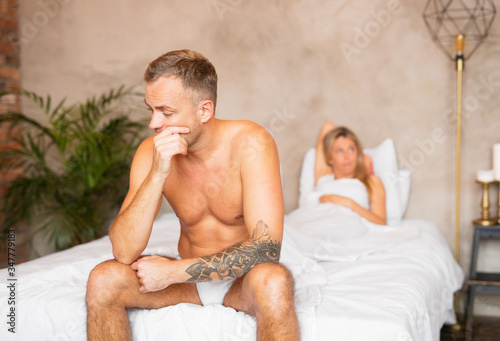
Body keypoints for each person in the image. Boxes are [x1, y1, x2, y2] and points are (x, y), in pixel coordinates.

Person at [85, 49, 300, 341]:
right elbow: (123, 251)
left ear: (204, 110)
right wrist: (158, 174)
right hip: (187, 285)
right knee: (103, 279)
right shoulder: (152, 152)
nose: (153, 124)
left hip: (240, 282)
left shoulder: (251, 143)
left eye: (166, 112)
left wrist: (173, 272)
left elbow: (267, 249)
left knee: (274, 281)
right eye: (151, 110)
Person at [313, 121, 386, 225]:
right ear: (330, 159)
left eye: (351, 150)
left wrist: (348, 203)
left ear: (358, 152)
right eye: (339, 151)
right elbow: (327, 126)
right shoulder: (323, 176)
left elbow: (381, 222)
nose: (347, 156)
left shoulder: (371, 181)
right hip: (316, 223)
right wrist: (364, 157)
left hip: (348, 228)